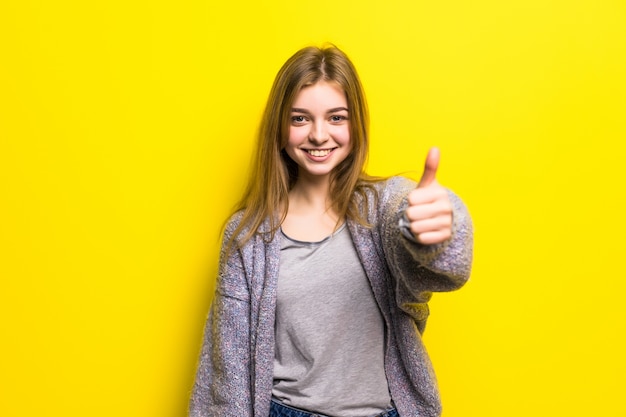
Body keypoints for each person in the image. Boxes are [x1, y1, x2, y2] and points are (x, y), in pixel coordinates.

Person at [189, 45, 473, 417]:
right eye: (300, 119)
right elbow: (229, 368)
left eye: (336, 118)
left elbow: (436, 265)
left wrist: (436, 230)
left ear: (356, 125)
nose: (319, 135)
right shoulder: (248, 236)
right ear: (279, 128)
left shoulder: (384, 207)